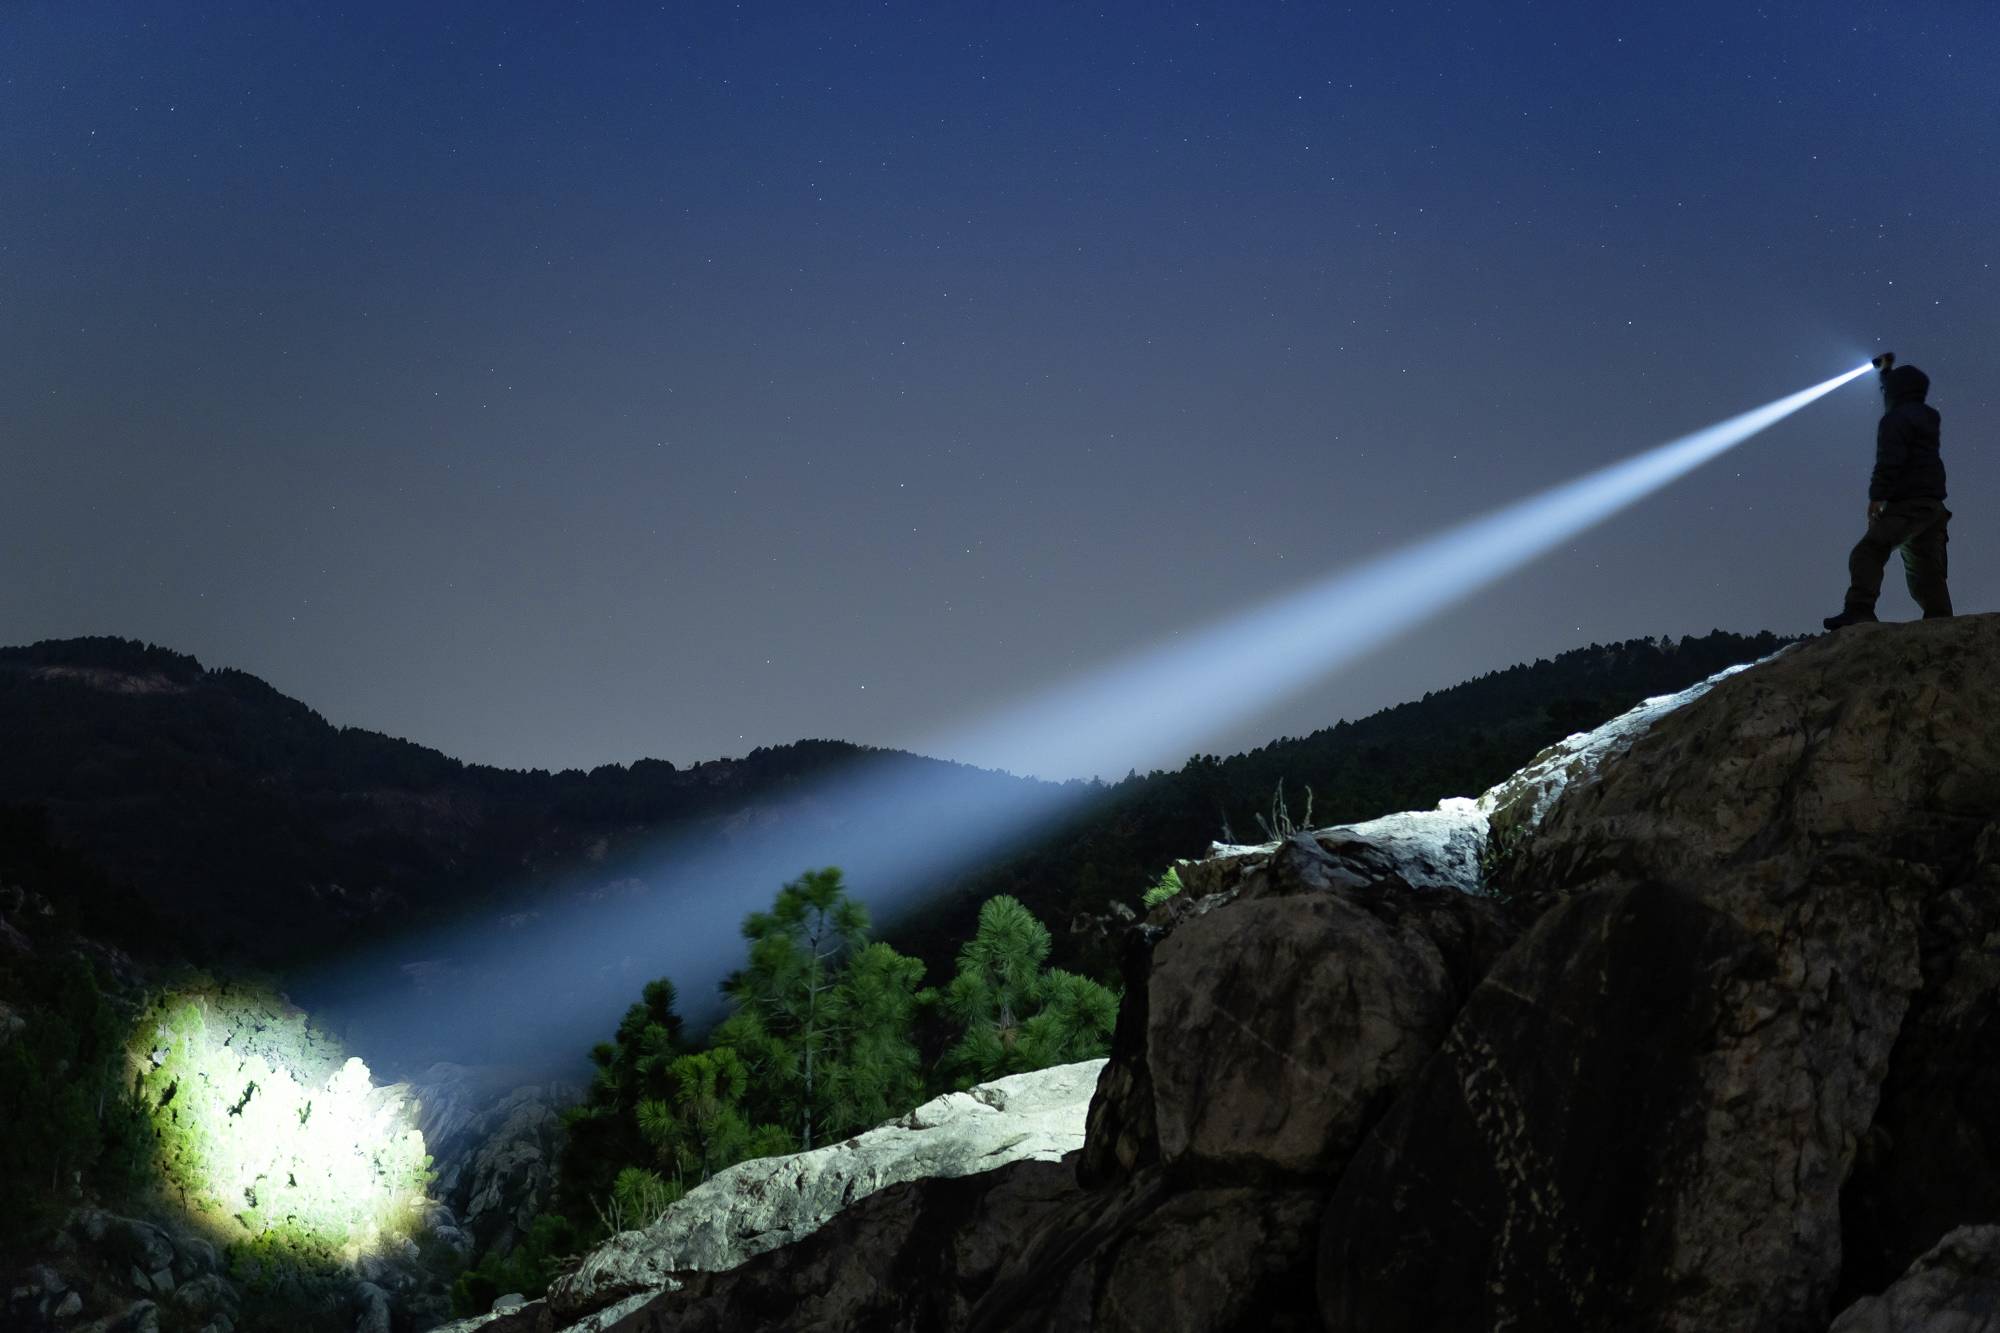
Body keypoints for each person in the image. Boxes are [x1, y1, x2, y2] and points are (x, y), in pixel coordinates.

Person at [1823, 357, 1952, 630]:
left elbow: (1890, 459)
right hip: (1933, 507)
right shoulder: (1927, 416)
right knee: (1926, 569)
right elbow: (1900, 393)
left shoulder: (1895, 419)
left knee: (1868, 552)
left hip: (1908, 503)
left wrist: (1877, 497)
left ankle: (1860, 609)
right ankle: (1941, 623)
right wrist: (1886, 373)